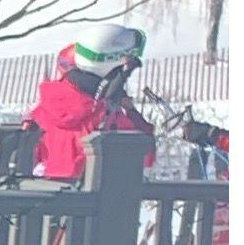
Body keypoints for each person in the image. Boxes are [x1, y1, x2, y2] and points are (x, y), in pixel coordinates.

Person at [27, 22, 154, 182]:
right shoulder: (106, 118)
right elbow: (143, 155)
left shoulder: (44, 108)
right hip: (94, 203)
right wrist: (132, 113)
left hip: (45, 198)